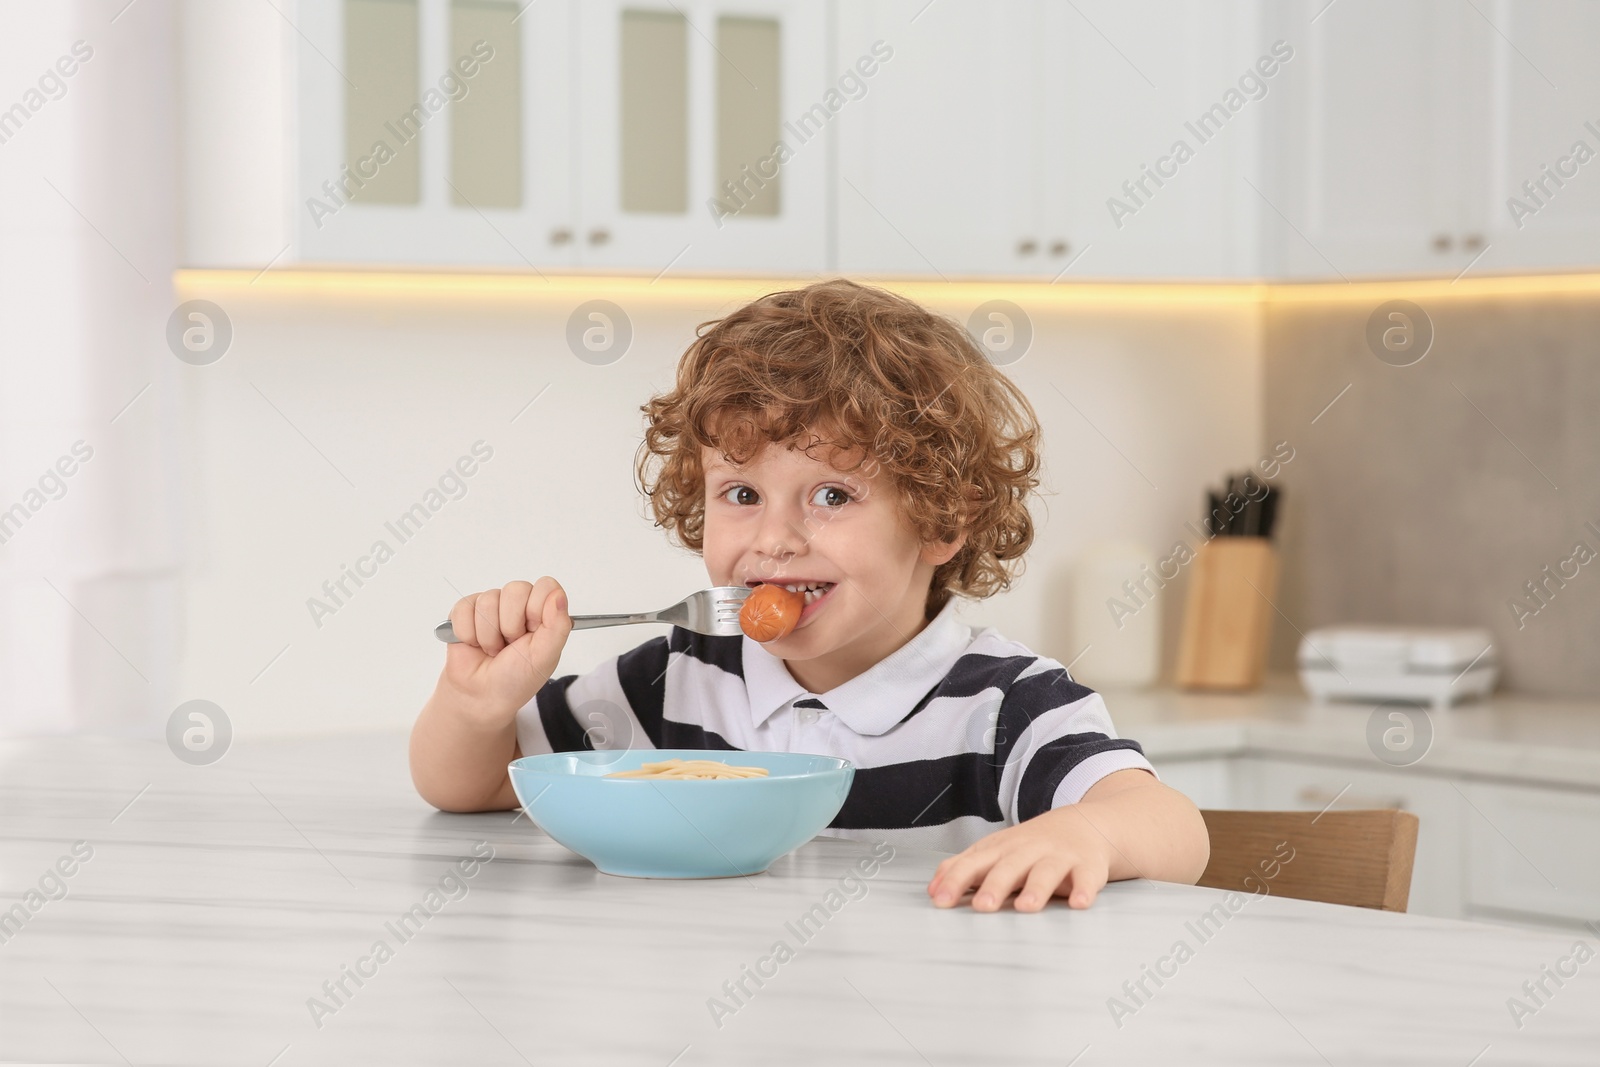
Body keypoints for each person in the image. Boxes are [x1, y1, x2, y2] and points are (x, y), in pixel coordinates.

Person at [409, 278, 1209, 912]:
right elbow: (468, 786)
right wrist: (477, 706)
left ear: (941, 521)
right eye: (741, 493)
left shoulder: (1004, 706)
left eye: (831, 496)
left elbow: (1173, 826)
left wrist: (1087, 832)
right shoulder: (678, 679)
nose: (775, 538)